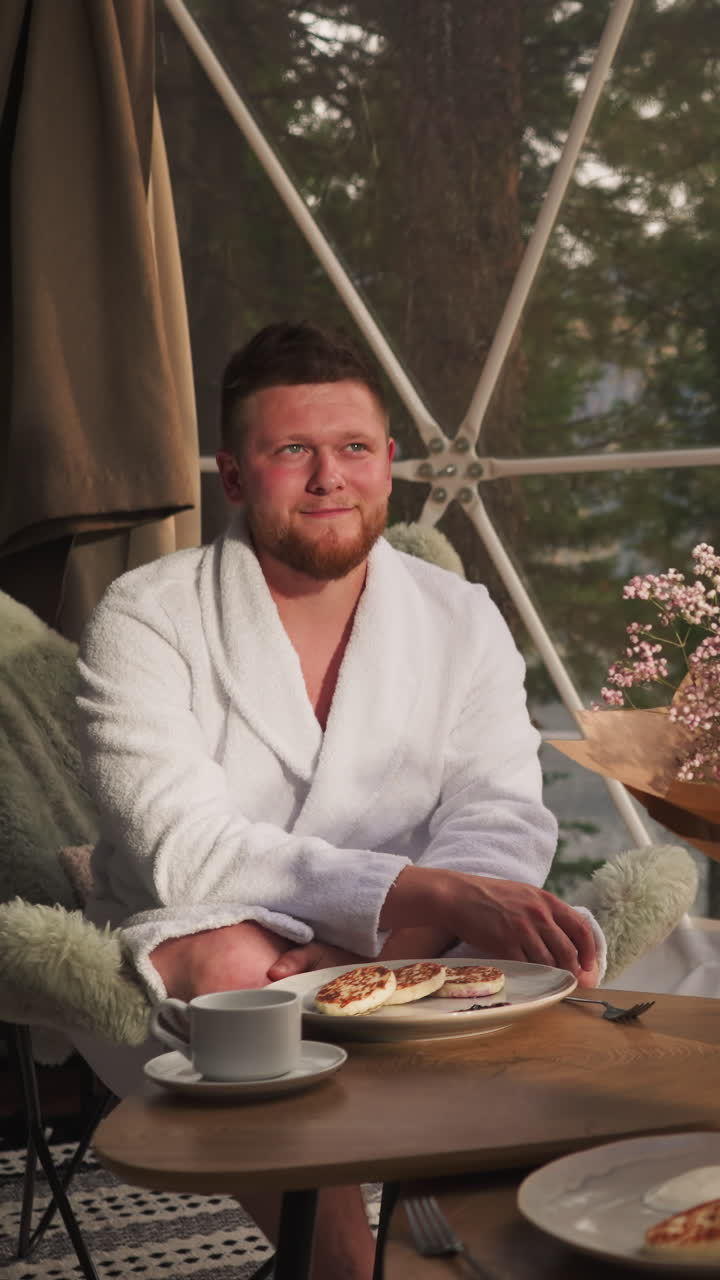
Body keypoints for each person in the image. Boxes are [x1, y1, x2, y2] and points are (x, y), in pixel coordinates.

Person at [74, 321, 602, 1280]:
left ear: (390, 462)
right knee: (240, 961)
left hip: (404, 943)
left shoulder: (461, 617)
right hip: (212, 934)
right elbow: (183, 851)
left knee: (538, 937)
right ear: (234, 477)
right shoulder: (146, 616)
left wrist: (385, 944)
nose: (330, 478)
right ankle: (348, 1269)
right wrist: (423, 897)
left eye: (354, 448)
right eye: (292, 452)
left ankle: (477, 1228)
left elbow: (501, 815)